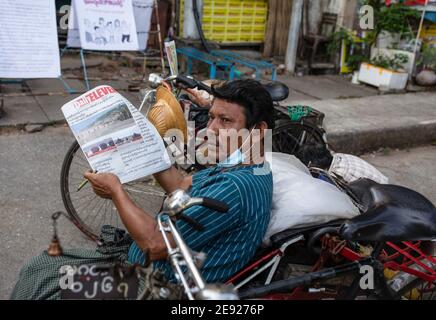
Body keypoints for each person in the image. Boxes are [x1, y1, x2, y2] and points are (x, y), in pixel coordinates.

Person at [11, 79, 275, 299]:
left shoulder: (234, 188)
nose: (212, 129)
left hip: (159, 286)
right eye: (212, 117)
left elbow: (154, 245)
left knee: (46, 285)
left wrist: (116, 192)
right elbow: (180, 186)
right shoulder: (242, 165)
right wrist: (146, 147)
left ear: (259, 130)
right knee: (40, 267)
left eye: (225, 121)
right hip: (141, 266)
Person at [295, 142, 389, 184]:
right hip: (383, 184)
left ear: (311, 164)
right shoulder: (338, 156)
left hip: (381, 197)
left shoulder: (337, 175)